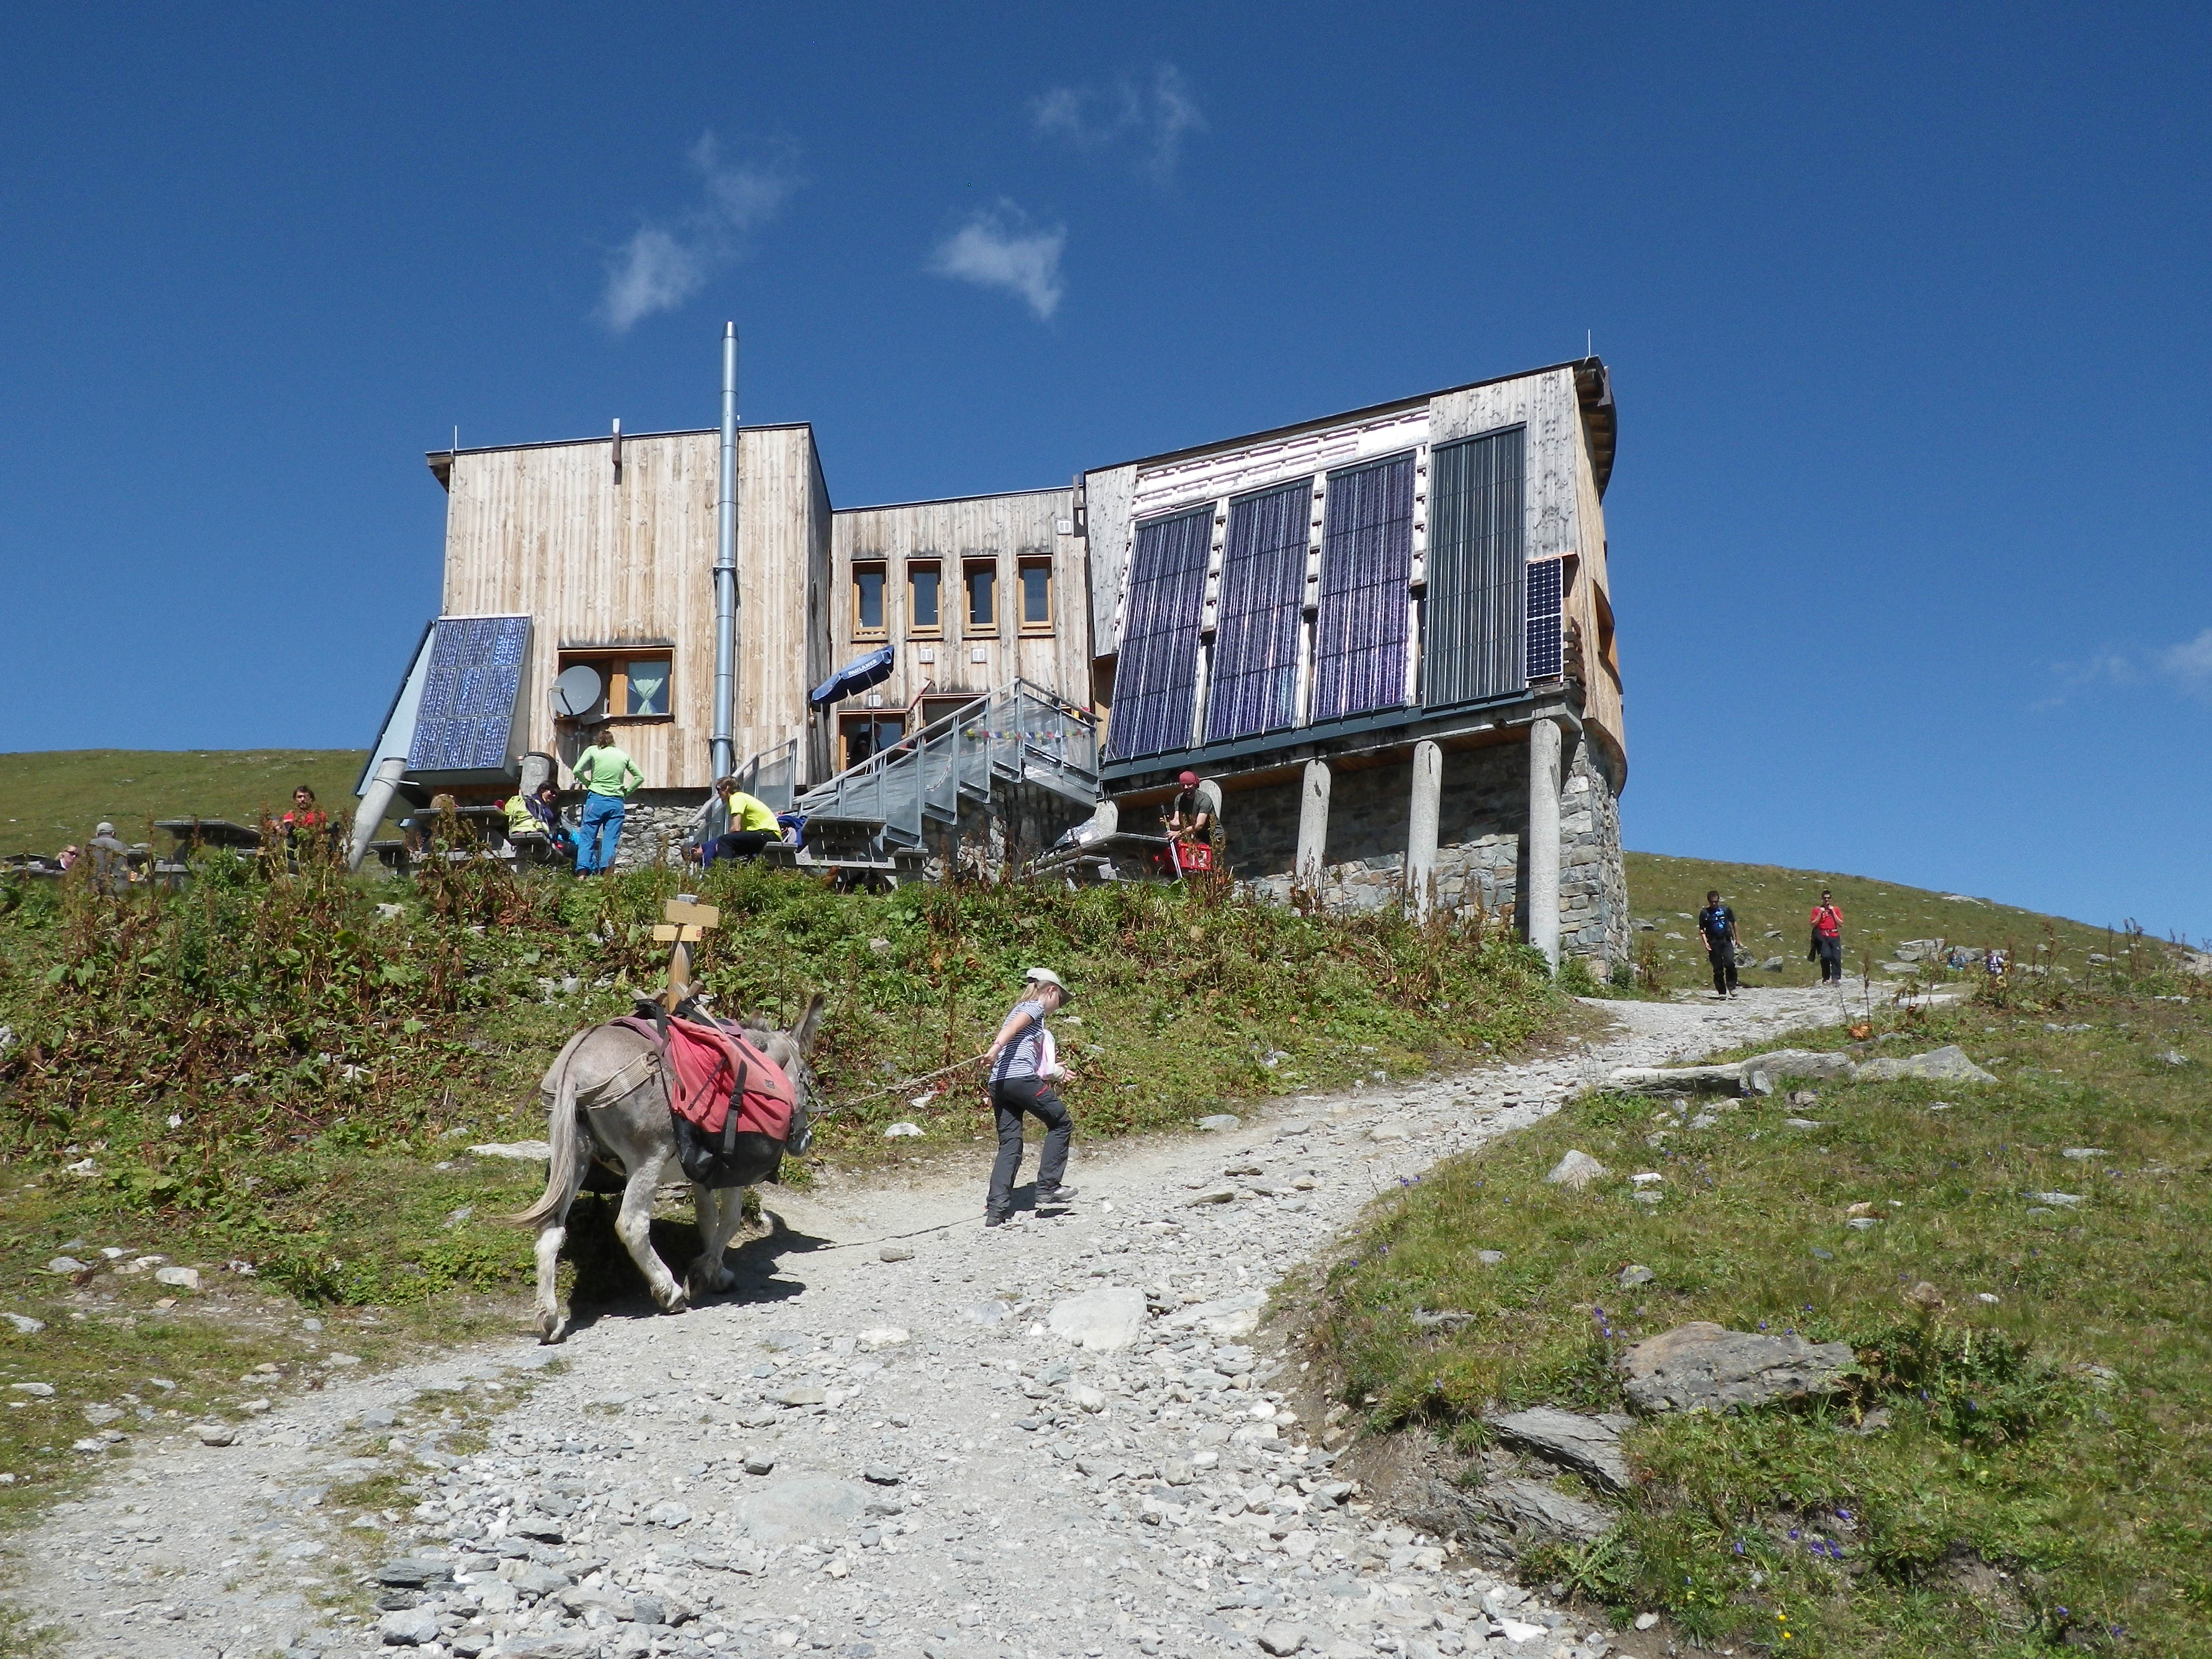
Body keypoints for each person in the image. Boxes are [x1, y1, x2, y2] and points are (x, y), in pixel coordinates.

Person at [981, 968, 1079, 1226]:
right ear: (1051, 991)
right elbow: (1015, 1027)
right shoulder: (1033, 1007)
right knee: (1061, 1122)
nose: (1059, 1006)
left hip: (999, 1083)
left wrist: (1055, 1072)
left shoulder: (1018, 1009)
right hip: (1020, 1080)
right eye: (1060, 999)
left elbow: (1026, 1051)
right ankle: (1048, 1188)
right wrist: (995, 1048)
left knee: (1010, 1145)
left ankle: (996, 1210)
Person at [572, 738, 643, 875]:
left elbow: (576, 770)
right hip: (616, 802)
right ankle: (607, 874)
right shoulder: (623, 755)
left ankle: (582, 874)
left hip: (596, 799)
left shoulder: (593, 751)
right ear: (613, 742)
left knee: (587, 837)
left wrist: (588, 783)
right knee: (610, 840)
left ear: (599, 742)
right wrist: (627, 792)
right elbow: (640, 777)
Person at [689, 777, 783, 867]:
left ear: (727, 788)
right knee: (731, 849)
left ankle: (723, 875)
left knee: (724, 841)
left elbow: (736, 828)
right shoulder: (741, 798)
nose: (718, 794)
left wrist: (720, 844)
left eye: (719, 790)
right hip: (767, 835)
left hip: (767, 834)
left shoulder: (736, 798)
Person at [1697, 888, 1741, 999]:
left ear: (1719, 900)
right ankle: (1722, 992)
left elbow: (1733, 922)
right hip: (1713, 942)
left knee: (1730, 963)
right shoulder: (1705, 913)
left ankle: (1732, 987)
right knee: (1718, 968)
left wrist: (1737, 938)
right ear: (1709, 902)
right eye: (1712, 902)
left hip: (1726, 940)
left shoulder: (1725, 910)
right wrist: (1706, 943)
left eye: (1716, 901)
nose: (1714, 904)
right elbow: (1702, 929)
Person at [1809, 888, 1845, 984]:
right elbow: (1813, 924)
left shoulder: (1836, 910)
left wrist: (1833, 913)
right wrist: (1820, 914)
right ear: (1822, 898)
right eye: (1825, 898)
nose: (1827, 900)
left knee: (1836, 957)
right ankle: (1826, 977)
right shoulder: (1817, 910)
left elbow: (1841, 924)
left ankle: (1836, 978)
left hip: (1834, 935)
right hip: (1822, 936)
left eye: (1829, 898)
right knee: (1825, 956)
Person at [86, 822, 134, 892]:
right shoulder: (123, 846)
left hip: (95, 885)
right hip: (119, 885)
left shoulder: (90, 846)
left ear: (97, 835)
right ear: (113, 833)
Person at [280, 786, 327, 851]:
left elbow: (310, 823)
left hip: (312, 844)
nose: (302, 800)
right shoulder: (292, 814)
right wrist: (278, 825)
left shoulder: (319, 814)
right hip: (295, 846)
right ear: (295, 800)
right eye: (299, 797)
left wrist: (294, 822)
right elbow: (282, 821)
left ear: (312, 800)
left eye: (306, 797)